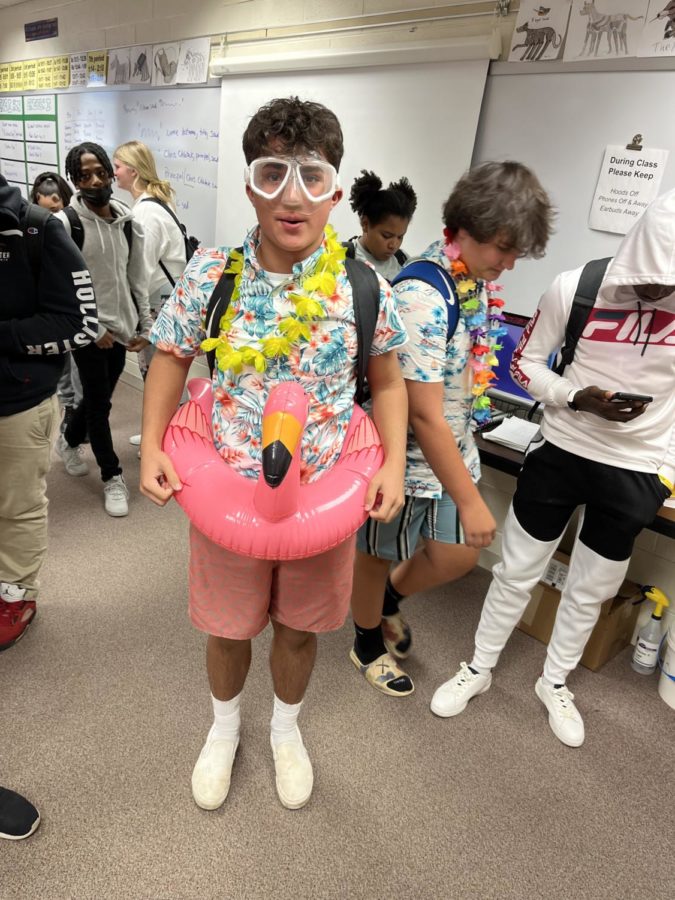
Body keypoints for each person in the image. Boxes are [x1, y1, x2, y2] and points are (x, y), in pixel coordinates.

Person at [140, 97, 408, 811]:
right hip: (226, 487)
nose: (292, 197)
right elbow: (169, 358)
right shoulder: (211, 274)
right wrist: (150, 450)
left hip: (324, 492)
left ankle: (286, 730)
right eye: (272, 174)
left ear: (334, 190)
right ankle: (224, 729)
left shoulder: (362, 286)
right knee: (227, 628)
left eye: (312, 178)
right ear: (251, 182)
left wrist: (388, 463)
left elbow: (385, 379)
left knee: (299, 628)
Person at [431, 187, 675, 747]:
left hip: (635, 467)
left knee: (592, 587)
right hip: (563, 448)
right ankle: (478, 666)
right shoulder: (578, 287)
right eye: (649, 280)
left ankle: (555, 682)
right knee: (516, 569)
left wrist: (664, 469)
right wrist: (573, 396)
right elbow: (525, 361)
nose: (658, 292)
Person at [350, 161, 554, 697]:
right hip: (405, 458)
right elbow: (419, 413)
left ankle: (389, 602)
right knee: (376, 555)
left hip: (451, 448)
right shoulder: (423, 294)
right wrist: (470, 499)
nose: (509, 263)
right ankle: (366, 640)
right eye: (503, 248)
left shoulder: (471, 280)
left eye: (517, 252)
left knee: (459, 554)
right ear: (464, 228)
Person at [0, 173, 97, 651]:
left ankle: (16, 594)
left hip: (16, 402)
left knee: (15, 506)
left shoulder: (37, 229)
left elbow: (80, 324)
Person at [54, 142, 153, 518]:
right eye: (85, 175)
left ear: (112, 174)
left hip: (122, 326)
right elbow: (62, 288)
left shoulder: (129, 223)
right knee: (100, 405)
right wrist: (93, 329)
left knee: (101, 395)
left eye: (101, 172)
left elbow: (137, 278)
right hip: (88, 331)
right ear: (75, 181)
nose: (95, 180)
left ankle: (68, 437)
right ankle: (112, 475)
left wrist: (144, 323)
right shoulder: (66, 224)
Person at [31, 171, 83, 429]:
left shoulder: (74, 224)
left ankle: (77, 411)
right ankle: (69, 407)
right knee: (61, 363)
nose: (52, 218)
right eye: (45, 212)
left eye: (56, 209)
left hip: (75, 304)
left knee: (77, 365)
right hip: (49, 306)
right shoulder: (32, 228)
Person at [347, 170, 417, 282]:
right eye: (386, 236)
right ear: (365, 224)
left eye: (400, 237)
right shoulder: (344, 258)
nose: (394, 245)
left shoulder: (404, 261)